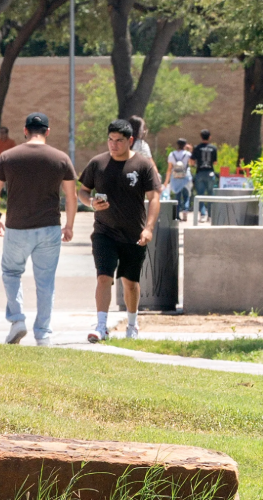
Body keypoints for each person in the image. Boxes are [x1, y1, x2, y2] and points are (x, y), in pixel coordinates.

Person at [0, 112, 78, 347]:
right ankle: (43, 334)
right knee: (45, 281)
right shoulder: (61, 158)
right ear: (47, 131)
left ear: (25, 131)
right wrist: (69, 225)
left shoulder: (8, 156)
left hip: (17, 226)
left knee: (11, 273)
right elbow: (71, 195)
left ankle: (17, 320)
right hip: (49, 227)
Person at [80, 119, 163, 343]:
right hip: (104, 232)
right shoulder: (97, 163)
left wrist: (148, 229)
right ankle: (101, 326)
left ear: (130, 141)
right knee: (103, 277)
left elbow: (154, 198)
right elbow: (83, 191)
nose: (113, 144)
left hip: (133, 235)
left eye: (119, 140)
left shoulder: (142, 165)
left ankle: (132, 325)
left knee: (130, 282)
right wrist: (90, 202)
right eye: (110, 140)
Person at [192, 129, 220, 222]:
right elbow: (215, 162)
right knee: (210, 194)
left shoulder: (197, 148)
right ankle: (211, 215)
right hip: (210, 172)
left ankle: (203, 214)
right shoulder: (213, 148)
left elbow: (192, 161)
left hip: (200, 172)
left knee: (200, 194)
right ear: (210, 137)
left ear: (201, 137)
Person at [168, 139, 193, 221]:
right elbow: (192, 163)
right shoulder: (188, 154)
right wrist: (190, 150)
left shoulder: (172, 154)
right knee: (186, 195)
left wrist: (166, 181)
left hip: (175, 177)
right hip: (185, 177)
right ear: (185, 145)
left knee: (177, 197)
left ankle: (177, 214)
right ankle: (185, 210)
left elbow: (169, 168)